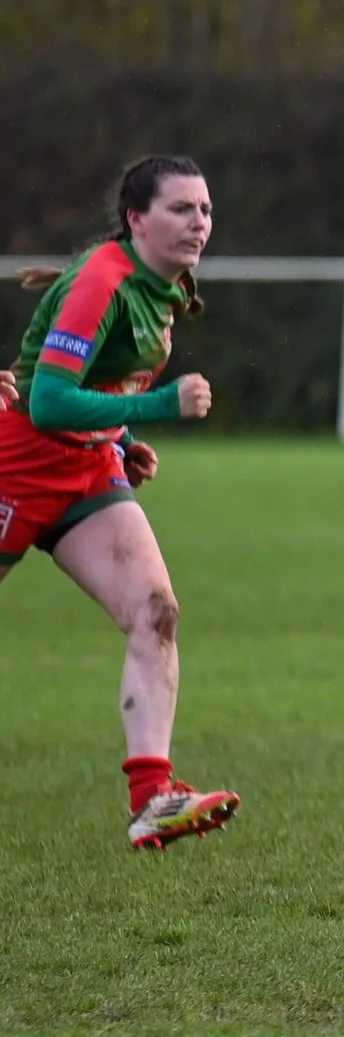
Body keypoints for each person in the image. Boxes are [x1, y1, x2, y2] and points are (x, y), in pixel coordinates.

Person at [1, 156, 239, 851]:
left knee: (155, 612)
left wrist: (121, 432)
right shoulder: (103, 279)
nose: (199, 222)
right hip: (19, 460)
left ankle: (154, 799)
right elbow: (45, 400)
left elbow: (99, 382)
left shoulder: (161, 286)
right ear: (137, 218)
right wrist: (160, 404)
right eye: (181, 209)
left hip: (87, 465)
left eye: (205, 209)